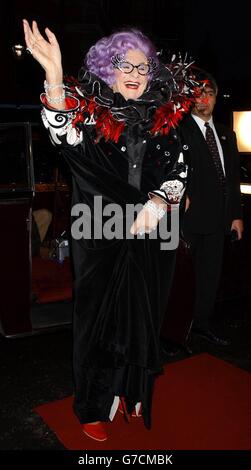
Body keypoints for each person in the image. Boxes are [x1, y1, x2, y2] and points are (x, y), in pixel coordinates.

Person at [23, 19, 198, 441]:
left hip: (154, 237)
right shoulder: (90, 116)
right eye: (125, 65)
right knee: (98, 322)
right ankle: (92, 405)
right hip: (99, 232)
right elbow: (61, 135)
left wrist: (159, 202)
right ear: (107, 69)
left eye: (143, 67)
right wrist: (53, 74)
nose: (135, 75)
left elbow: (179, 172)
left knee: (143, 315)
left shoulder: (166, 120)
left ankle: (131, 392)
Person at [181, 70, 244, 346]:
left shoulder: (226, 134)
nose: (202, 99)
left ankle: (203, 324)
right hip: (187, 220)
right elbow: (170, 168)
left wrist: (236, 216)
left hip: (218, 221)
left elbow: (232, 179)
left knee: (210, 276)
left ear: (216, 98)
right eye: (197, 93)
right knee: (182, 279)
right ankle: (175, 332)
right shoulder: (178, 130)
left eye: (208, 93)